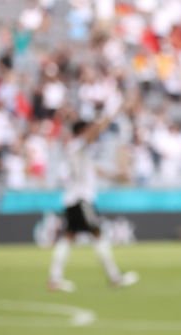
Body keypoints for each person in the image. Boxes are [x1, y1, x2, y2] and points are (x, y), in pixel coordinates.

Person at [47, 103, 138, 293]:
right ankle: (114, 277)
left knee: (68, 238)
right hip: (81, 200)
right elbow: (95, 131)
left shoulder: (79, 151)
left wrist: (116, 176)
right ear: (82, 131)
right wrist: (115, 111)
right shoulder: (77, 145)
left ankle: (55, 279)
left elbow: (94, 170)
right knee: (98, 235)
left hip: (73, 199)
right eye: (87, 130)